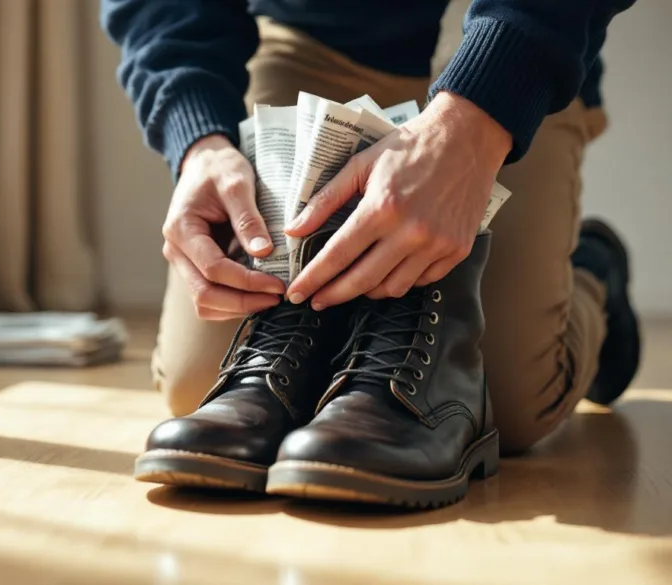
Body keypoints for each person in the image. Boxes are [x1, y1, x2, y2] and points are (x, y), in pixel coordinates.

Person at [102, 0, 640, 508]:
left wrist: (479, 114)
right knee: (197, 380)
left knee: (512, 403)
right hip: (318, 35)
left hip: (506, 40)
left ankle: (593, 270)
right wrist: (198, 139)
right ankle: (345, 365)